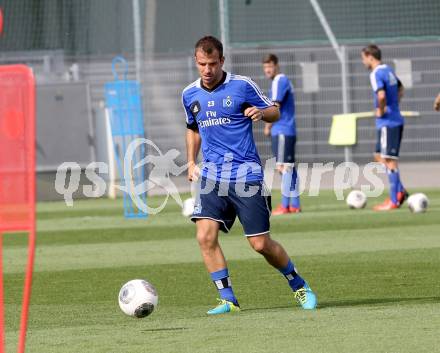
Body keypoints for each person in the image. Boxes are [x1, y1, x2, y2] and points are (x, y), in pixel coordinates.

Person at [182, 36, 317, 315]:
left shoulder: (242, 85)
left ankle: (298, 283)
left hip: (246, 175)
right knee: (205, 236)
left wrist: (261, 112)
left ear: (222, 61)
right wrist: (191, 162)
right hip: (211, 176)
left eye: (213, 64)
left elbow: (275, 112)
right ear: (195, 62)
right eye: (202, 64)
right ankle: (228, 299)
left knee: (259, 243)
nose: (207, 70)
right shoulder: (189, 94)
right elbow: (193, 128)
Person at [361, 44, 408, 211]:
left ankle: (394, 200)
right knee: (379, 155)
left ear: (369, 56)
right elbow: (401, 89)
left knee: (389, 160)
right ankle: (400, 190)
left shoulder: (376, 73)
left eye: (363, 58)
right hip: (395, 119)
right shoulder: (388, 69)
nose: (363, 62)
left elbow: (381, 95)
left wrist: (381, 110)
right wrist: (394, 105)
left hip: (388, 122)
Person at [262, 54, 300, 215]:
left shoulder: (279, 80)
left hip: (282, 129)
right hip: (287, 129)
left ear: (276, 65)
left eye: (269, 66)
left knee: (283, 167)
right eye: (265, 68)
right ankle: (295, 205)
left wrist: (268, 125)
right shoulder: (281, 81)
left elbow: (275, 105)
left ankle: (285, 206)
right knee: (289, 167)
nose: (267, 70)